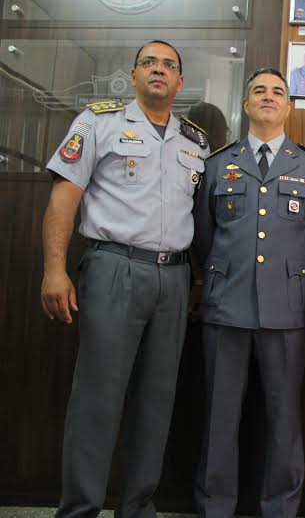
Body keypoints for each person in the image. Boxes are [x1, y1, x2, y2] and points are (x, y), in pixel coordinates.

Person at [40, 40, 208, 518]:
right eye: (149, 63)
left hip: (173, 279)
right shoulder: (98, 122)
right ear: (133, 75)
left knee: (157, 402)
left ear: (180, 81)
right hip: (114, 268)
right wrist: (54, 269)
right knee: (97, 397)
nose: (159, 70)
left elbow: (197, 219)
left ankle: (137, 507)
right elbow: (63, 197)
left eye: (169, 65)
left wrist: (196, 282)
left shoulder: (195, 140)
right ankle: (80, 510)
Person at [192, 67, 305, 518]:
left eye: (277, 92)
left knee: (284, 420)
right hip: (225, 305)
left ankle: (281, 509)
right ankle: (215, 507)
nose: (268, 97)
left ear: (289, 106)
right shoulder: (217, 165)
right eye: (259, 91)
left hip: (286, 310)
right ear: (246, 105)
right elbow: (204, 237)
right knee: (219, 420)